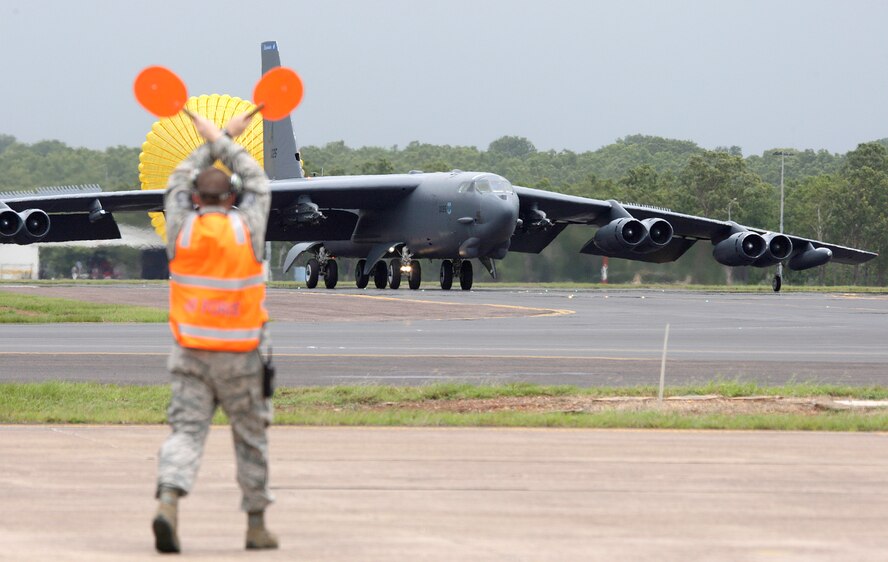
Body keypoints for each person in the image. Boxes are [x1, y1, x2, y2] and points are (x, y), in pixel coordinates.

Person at [152, 109, 276, 554]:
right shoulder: (250, 228)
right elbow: (258, 180)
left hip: (191, 353)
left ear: (193, 199)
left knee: (186, 433)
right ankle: (256, 526)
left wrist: (210, 139)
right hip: (242, 355)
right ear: (233, 198)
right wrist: (229, 139)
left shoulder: (180, 230)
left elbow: (176, 179)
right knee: (251, 438)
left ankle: (169, 499)